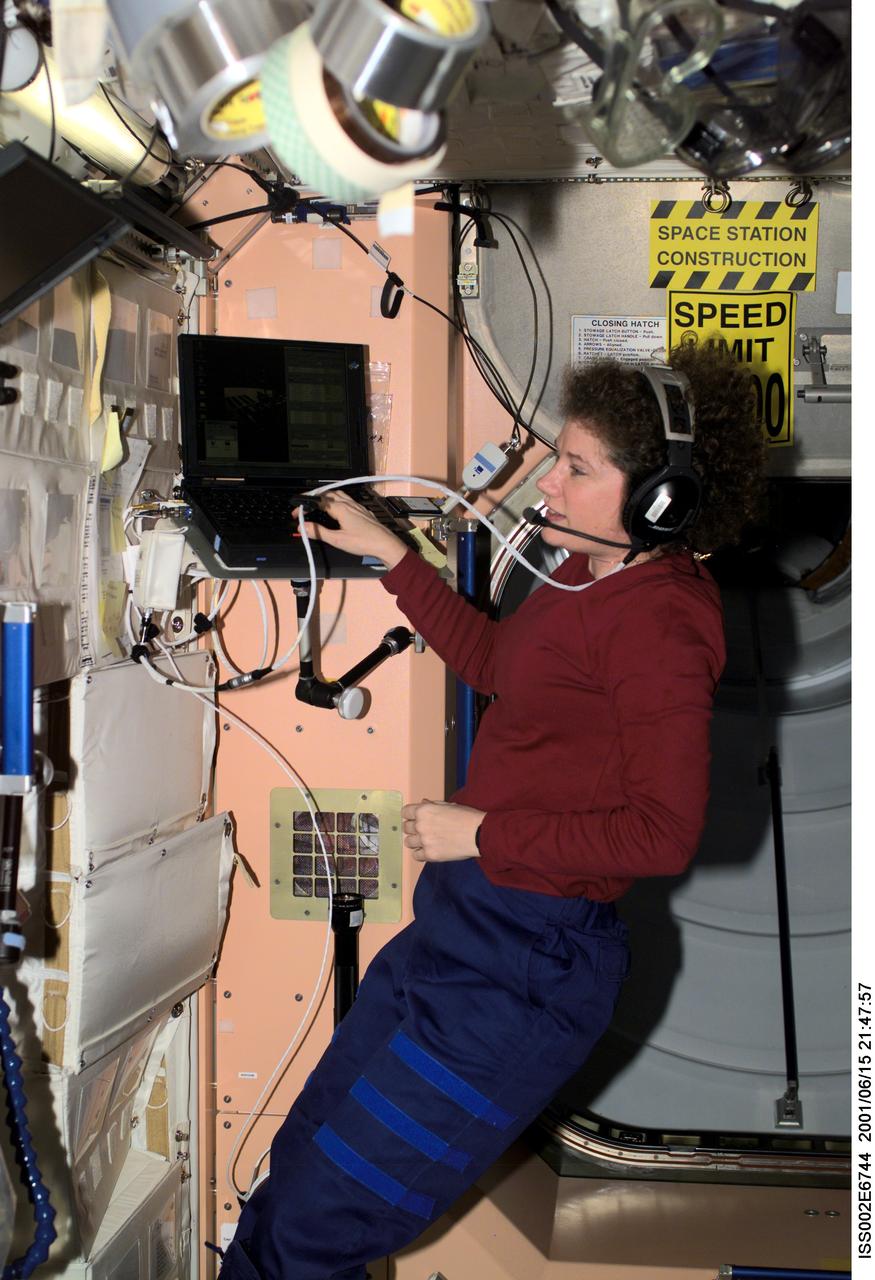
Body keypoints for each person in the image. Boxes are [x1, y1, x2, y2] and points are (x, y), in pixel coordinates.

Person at [219, 343, 765, 1280]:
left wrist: (482, 833)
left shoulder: (663, 625)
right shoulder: (583, 574)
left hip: (523, 971)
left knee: (314, 1232)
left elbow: (663, 830)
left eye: (577, 469)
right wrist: (395, 556)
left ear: (658, 502)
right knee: (293, 1180)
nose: (548, 482)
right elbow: (497, 666)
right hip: (457, 929)